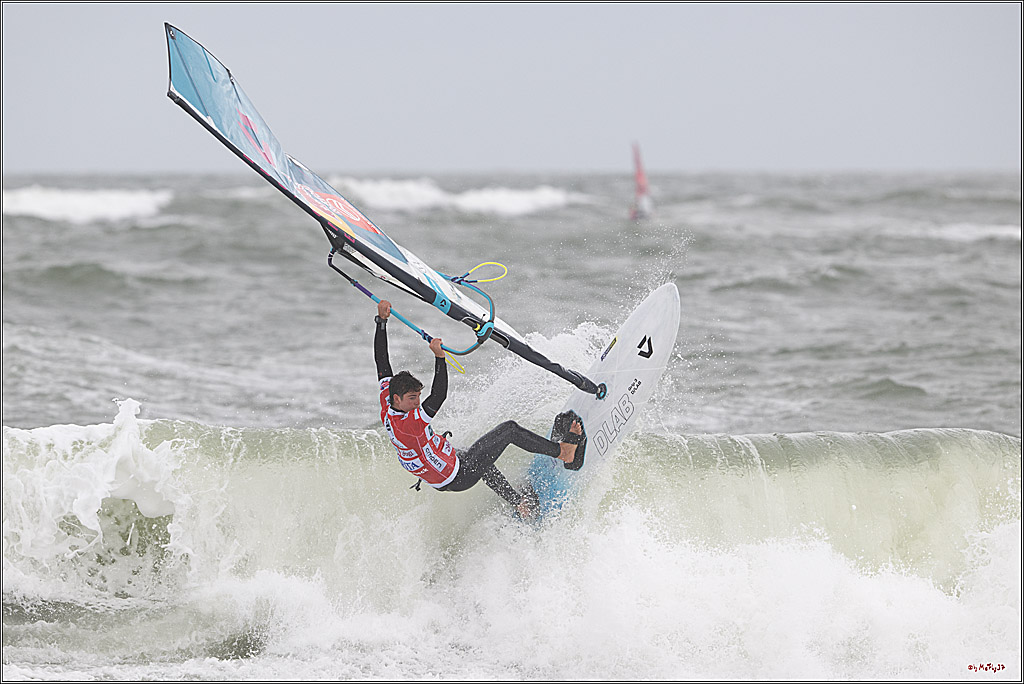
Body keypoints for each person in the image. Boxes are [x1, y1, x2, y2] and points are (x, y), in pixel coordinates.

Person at [373, 299, 582, 518]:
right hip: (457, 475)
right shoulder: (410, 422)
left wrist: (381, 321)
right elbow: (438, 396)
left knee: (482, 456)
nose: (417, 402)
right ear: (398, 398)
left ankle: (519, 503)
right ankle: (564, 452)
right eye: (412, 398)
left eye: (417, 397)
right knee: (509, 430)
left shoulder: (388, 401)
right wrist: (439, 357)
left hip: (441, 472)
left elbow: (382, 363)